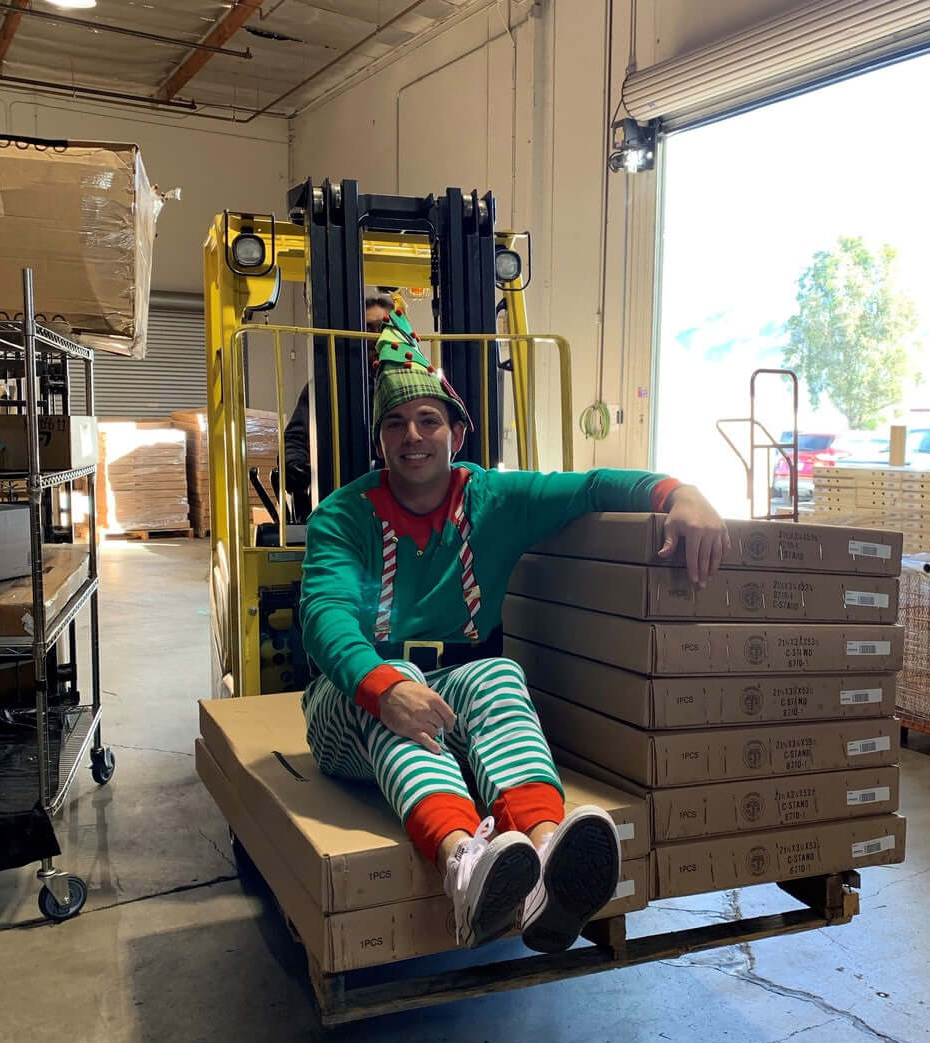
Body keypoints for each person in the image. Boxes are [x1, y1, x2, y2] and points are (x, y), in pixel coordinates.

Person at [299, 301, 729, 953]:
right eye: (395, 424)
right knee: (405, 686)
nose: (412, 436)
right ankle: (464, 866)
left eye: (427, 420)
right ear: (380, 440)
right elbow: (326, 614)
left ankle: (548, 858)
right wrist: (383, 686)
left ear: (456, 433)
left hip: (451, 683)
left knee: (498, 672)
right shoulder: (343, 515)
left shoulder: (494, 499)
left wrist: (681, 494)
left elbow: (591, 488)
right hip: (349, 705)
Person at [283, 295, 396, 519]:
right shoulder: (327, 386)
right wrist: (293, 464)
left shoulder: (414, 384)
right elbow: (295, 438)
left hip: (400, 494)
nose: (375, 336)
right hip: (340, 494)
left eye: (382, 328)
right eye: (367, 328)